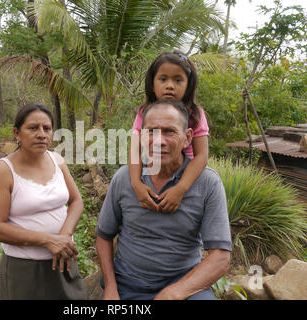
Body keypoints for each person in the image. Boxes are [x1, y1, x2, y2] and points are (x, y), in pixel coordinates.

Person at [96, 99, 231, 300]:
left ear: (187, 138)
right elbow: (104, 236)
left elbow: (220, 257)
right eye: (151, 131)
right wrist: (110, 286)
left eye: (169, 131)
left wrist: (174, 293)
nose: (159, 140)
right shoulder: (125, 179)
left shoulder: (207, 183)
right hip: (127, 283)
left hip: (183, 284)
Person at [0, 102, 87, 300]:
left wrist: (64, 236)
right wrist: (48, 240)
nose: (41, 134)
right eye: (33, 128)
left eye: (46, 128)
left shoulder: (56, 160)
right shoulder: (4, 170)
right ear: (17, 133)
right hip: (25, 269)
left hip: (64, 259)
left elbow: (76, 201)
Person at [130, 50, 209, 213]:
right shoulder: (143, 113)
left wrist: (181, 188)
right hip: (153, 174)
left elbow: (201, 156)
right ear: (152, 83)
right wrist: (136, 184)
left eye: (178, 80)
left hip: (187, 177)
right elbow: (135, 152)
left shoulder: (196, 115)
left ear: (188, 85)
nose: (170, 86)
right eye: (163, 79)